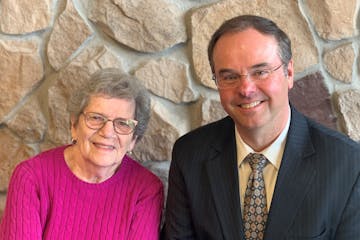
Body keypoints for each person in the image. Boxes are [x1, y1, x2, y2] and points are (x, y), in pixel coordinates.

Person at [163, 15, 360, 239]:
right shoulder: (190, 155)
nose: (246, 89)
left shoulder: (347, 163)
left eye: (260, 72)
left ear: (289, 73)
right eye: (229, 76)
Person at [0, 68, 164, 239]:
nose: (107, 132)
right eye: (96, 118)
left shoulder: (146, 190)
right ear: (74, 125)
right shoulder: (31, 178)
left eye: (123, 123)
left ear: (133, 139)